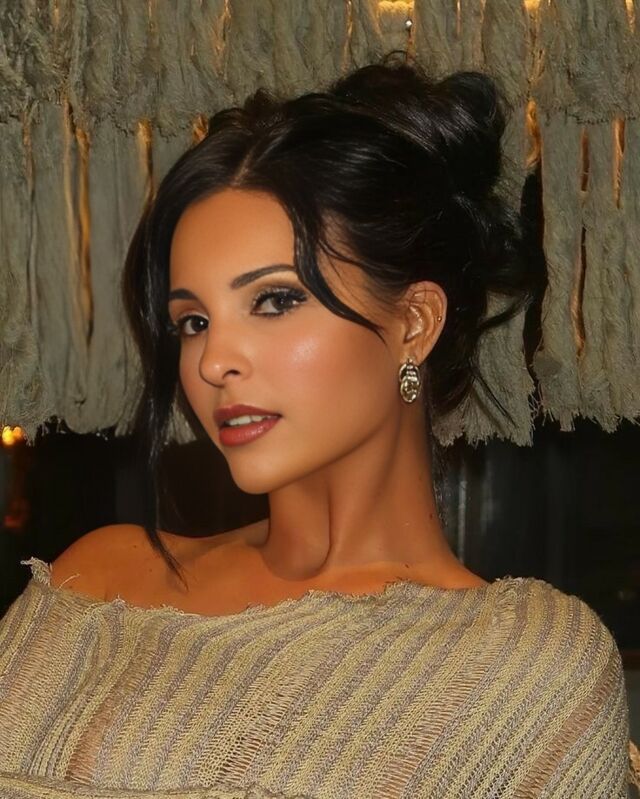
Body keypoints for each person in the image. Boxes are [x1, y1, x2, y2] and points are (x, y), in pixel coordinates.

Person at [0, 51, 637, 798]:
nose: (212, 361)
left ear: (414, 322)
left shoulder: (527, 670)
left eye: (273, 301)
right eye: (194, 320)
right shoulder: (95, 580)